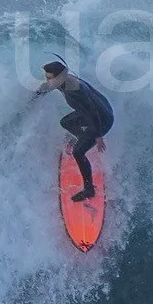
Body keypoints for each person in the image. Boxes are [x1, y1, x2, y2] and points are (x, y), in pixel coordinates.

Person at [34, 59, 113, 202]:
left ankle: (89, 190)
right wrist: (32, 99)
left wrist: (98, 135)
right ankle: (83, 137)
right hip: (94, 111)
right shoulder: (62, 81)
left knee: (78, 152)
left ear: (60, 77)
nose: (47, 80)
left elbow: (92, 112)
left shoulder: (75, 90)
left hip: (103, 119)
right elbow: (46, 87)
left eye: (49, 78)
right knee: (65, 122)